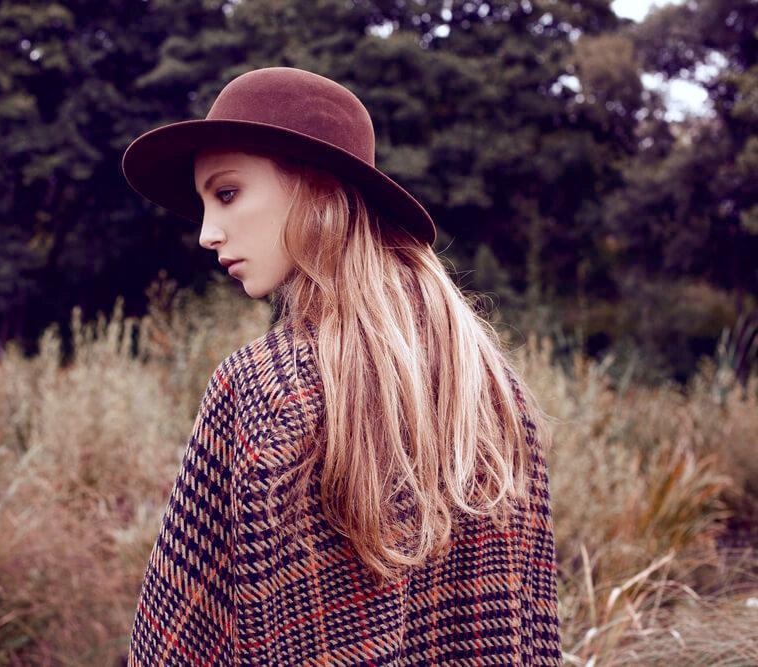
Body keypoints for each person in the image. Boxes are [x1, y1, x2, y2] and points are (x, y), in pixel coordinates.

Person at [121, 66, 563, 666]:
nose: (206, 233)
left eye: (226, 193)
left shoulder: (262, 387)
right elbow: (531, 634)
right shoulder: (493, 389)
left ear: (317, 190)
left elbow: (181, 638)